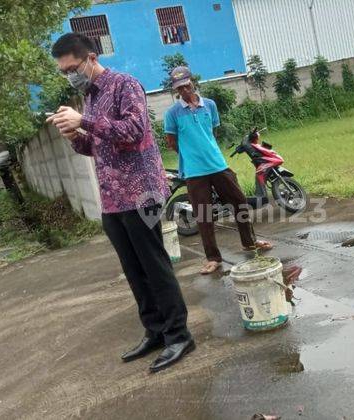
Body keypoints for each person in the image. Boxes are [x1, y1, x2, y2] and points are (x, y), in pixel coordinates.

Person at [46, 33, 194, 373]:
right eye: (63, 71)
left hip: (140, 192)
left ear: (91, 58)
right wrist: (74, 137)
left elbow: (133, 131)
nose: (69, 75)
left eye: (72, 67)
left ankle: (179, 335)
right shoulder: (90, 97)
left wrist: (83, 121)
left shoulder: (125, 85)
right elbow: (96, 147)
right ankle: (155, 330)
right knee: (134, 270)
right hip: (112, 200)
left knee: (155, 267)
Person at [164, 66, 273, 275]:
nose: (185, 91)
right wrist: (191, 155)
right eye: (180, 89)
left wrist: (205, 150)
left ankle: (249, 242)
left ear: (193, 82)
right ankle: (213, 258)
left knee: (239, 202)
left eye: (187, 86)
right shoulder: (173, 114)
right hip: (194, 172)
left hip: (217, 164)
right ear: (176, 90)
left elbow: (212, 132)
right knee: (204, 215)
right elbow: (172, 142)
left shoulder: (210, 106)